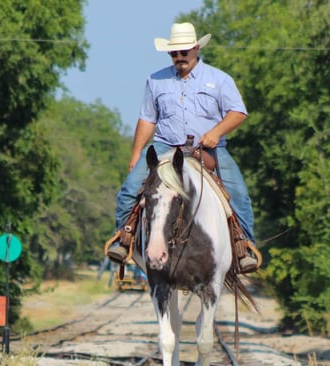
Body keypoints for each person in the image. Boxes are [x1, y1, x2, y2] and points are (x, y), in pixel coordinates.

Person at [106, 22, 259, 273]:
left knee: (239, 194)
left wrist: (215, 133)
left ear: (196, 49)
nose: (179, 57)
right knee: (129, 189)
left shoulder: (219, 79)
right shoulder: (155, 80)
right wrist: (136, 154)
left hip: (208, 148)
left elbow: (238, 112)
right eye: (174, 53)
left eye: (184, 51)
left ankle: (244, 246)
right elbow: (147, 118)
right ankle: (124, 238)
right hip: (165, 145)